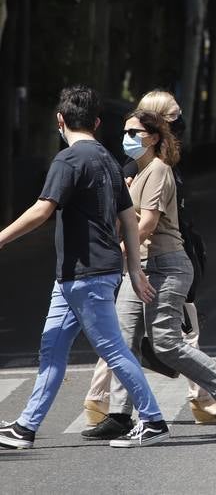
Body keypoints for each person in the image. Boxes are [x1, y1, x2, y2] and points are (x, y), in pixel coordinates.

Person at [0, 87, 168, 449]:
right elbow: (127, 216)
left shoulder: (69, 160)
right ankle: (25, 428)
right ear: (96, 122)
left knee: (113, 350)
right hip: (78, 276)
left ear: (60, 121)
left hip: (87, 274)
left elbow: (42, 210)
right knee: (52, 349)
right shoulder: (108, 159)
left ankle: (153, 419)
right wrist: (135, 270)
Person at [84, 109, 216, 441]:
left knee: (165, 342)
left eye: (135, 133)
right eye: (125, 132)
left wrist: (112, 255)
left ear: (155, 138)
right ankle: (120, 414)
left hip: (166, 266)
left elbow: (146, 225)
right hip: (140, 265)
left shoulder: (159, 171)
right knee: (122, 340)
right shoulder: (136, 172)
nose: (128, 138)